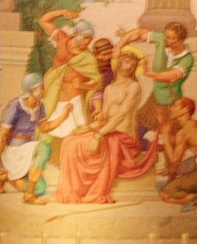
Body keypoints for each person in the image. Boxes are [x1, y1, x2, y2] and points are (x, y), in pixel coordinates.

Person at [55, 47, 158, 204]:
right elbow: (105, 117)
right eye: (125, 62)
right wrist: (88, 127)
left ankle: (85, 192)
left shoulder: (133, 87)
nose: (128, 66)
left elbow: (120, 115)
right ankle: (72, 191)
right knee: (70, 140)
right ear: (118, 63)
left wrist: (98, 135)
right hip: (108, 131)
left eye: (132, 64)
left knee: (78, 145)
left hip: (124, 137)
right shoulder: (109, 88)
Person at [117, 22, 194, 176]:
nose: (166, 40)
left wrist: (148, 73)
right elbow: (139, 33)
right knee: (136, 129)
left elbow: (171, 76)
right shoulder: (161, 38)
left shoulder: (187, 59)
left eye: (171, 38)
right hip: (155, 98)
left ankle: (171, 174)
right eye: (166, 35)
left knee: (171, 139)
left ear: (180, 40)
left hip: (172, 103)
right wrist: (120, 45)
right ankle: (144, 158)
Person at [0, 73, 75, 204]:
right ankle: (29, 196)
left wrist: (64, 116)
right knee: (44, 148)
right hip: (14, 151)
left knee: (40, 189)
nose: (44, 89)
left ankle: (6, 177)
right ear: (32, 90)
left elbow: (45, 128)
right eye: (41, 87)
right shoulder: (15, 105)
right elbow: (3, 135)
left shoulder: (40, 106)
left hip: (29, 149)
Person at [39, 9, 101, 138]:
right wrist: (62, 12)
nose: (87, 42)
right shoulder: (62, 39)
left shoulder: (88, 58)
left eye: (89, 40)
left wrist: (84, 85)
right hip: (53, 98)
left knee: (76, 136)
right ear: (76, 33)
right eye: (85, 38)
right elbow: (43, 21)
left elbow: (97, 83)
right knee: (48, 135)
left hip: (74, 101)